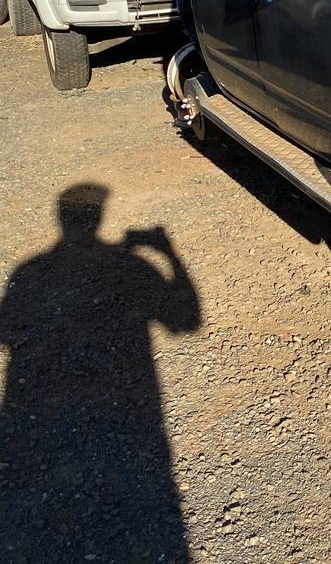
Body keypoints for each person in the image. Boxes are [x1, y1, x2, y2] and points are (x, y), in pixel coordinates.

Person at [0, 183, 201, 562]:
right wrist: (169, 253)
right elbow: (186, 320)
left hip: (43, 428)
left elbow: (8, 330)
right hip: (135, 423)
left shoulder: (30, 272)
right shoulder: (135, 267)